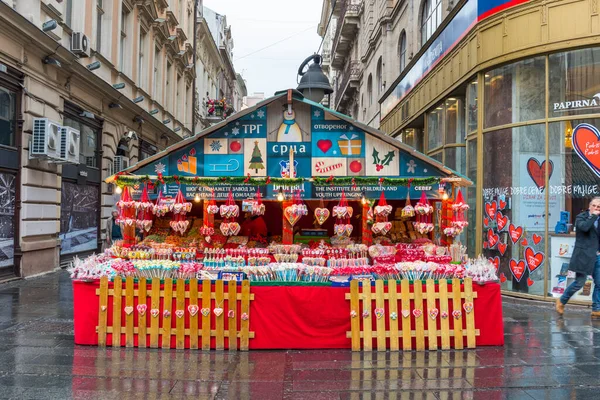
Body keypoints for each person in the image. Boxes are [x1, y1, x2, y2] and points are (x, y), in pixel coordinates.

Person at [556, 197, 600, 318]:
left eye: (599, 207)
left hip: (596, 256)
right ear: (590, 206)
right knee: (579, 283)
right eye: (594, 206)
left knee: (599, 283)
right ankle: (562, 301)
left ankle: (596, 309)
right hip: (583, 256)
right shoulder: (581, 217)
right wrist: (594, 216)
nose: (596, 209)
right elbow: (584, 227)